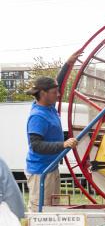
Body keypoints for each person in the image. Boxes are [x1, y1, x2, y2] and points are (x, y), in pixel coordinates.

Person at [25, 76, 78, 212]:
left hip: (51, 168)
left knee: (53, 211)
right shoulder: (38, 116)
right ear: (43, 94)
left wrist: (68, 63)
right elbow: (36, 146)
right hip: (40, 173)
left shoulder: (49, 107)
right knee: (41, 213)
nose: (58, 95)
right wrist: (63, 145)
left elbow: (56, 82)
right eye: (55, 92)